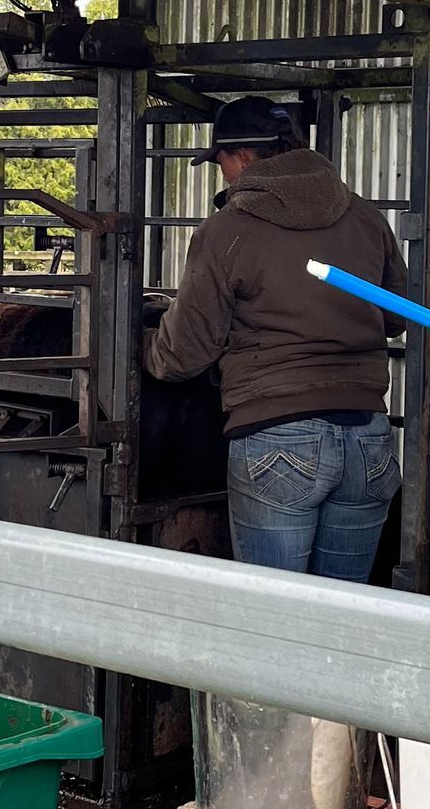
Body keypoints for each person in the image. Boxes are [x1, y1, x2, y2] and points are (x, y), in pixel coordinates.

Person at [146, 97, 406, 581]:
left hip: (277, 437)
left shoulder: (227, 231)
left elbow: (183, 355)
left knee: (272, 611)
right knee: (344, 610)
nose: (222, 175)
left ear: (243, 157)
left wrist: (143, 345)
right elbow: (394, 317)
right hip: (367, 438)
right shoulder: (367, 219)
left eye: (221, 162)